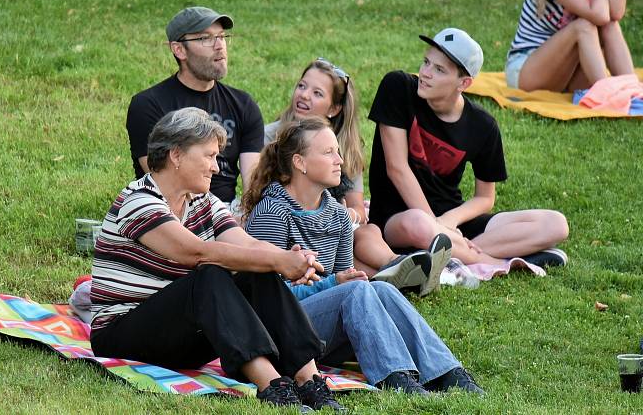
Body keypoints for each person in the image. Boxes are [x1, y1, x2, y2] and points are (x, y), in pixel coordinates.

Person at [91, 107, 345, 411]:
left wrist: (287, 258)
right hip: (122, 334)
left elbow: (248, 245)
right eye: (209, 156)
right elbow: (195, 253)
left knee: (256, 270)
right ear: (176, 155)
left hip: (181, 336)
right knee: (209, 273)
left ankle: (309, 380)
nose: (217, 167)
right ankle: (273, 386)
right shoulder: (138, 200)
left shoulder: (202, 201)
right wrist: (278, 262)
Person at [243, 117, 483, 395]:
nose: (340, 160)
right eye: (328, 152)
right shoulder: (271, 213)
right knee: (357, 289)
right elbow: (265, 299)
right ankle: (396, 378)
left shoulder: (338, 217)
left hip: (323, 334)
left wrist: (342, 283)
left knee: (381, 288)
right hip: (283, 335)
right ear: (300, 163)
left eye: (338, 151)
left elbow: (347, 287)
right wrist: (334, 284)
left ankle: (447, 371)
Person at [369, 28, 569, 268]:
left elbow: (485, 198)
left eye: (439, 69)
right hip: (399, 220)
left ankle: (452, 252)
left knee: (555, 224)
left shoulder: (482, 126)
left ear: (463, 83)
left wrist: (449, 220)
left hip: (450, 220)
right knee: (420, 224)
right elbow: (397, 169)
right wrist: (436, 226)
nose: (425, 73)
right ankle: (497, 260)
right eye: (426, 62)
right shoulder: (398, 87)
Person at [264, 58, 450, 295]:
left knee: (368, 231)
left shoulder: (344, 148)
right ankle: (407, 273)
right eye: (302, 86)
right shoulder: (272, 137)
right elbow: (261, 191)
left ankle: (400, 266)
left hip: (336, 230)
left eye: (317, 93)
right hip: (297, 230)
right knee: (348, 248)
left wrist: (345, 214)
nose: (304, 95)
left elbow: (358, 208)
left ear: (334, 109)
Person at [126, 6, 263, 212]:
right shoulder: (148, 105)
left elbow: (253, 184)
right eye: (205, 38)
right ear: (179, 49)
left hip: (230, 210)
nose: (219, 46)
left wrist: (247, 217)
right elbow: (164, 184)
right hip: (174, 210)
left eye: (221, 36)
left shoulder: (243, 104)